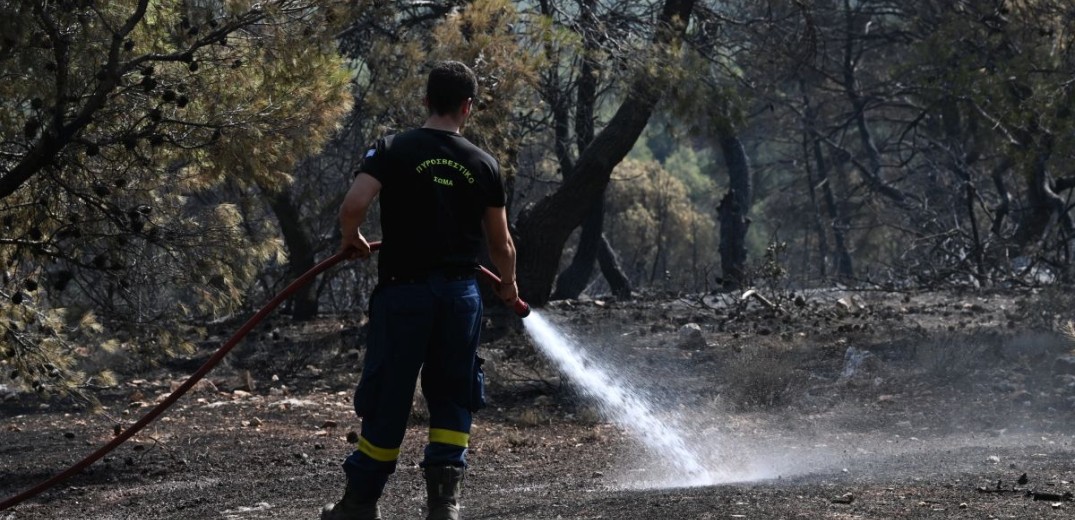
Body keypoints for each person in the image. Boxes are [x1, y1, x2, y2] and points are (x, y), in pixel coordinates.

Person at [323, 61, 518, 520]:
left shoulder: (392, 149)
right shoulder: (484, 165)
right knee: (453, 393)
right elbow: (501, 243)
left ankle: (360, 503)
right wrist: (508, 286)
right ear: (467, 107)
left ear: (427, 100)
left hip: (403, 294)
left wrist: (351, 237)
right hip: (459, 297)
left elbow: (354, 204)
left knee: (389, 393)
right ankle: (443, 505)